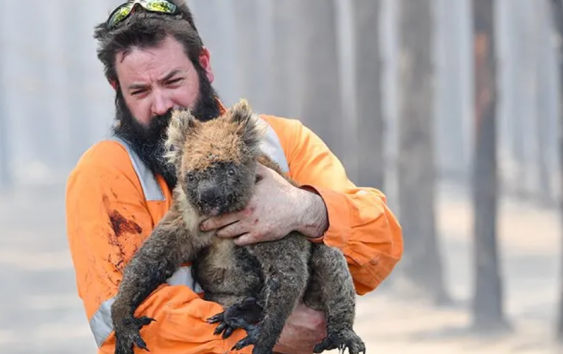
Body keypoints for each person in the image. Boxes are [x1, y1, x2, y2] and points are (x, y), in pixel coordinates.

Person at [65, 0, 404, 352]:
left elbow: (380, 247)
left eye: (173, 80)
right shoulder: (105, 172)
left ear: (204, 66)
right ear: (116, 89)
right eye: (139, 90)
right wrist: (261, 338)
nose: (162, 103)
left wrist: (307, 210)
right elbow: (118, 316)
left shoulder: (282, 141)